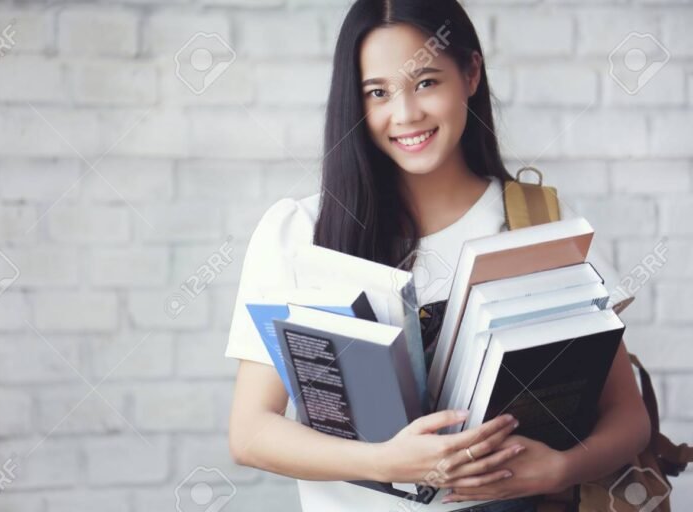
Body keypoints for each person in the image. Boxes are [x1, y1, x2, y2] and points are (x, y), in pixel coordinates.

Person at [225, 0, 651, 510]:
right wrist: (386, 462)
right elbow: (250, 433)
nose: (405, 114)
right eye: (378, 93)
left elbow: (628, 418)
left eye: (426, 82)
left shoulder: (540, 222)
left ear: (470, 73)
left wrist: (559, 469)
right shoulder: (299, 232)